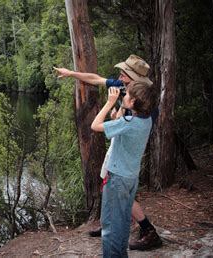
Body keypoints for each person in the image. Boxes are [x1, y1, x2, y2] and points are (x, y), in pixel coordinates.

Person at [54, 55, 162, 251]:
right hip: (121, 147)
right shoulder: (125, 88)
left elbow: (128, 125)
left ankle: (146, 230)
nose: (119, 76)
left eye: (124, 74)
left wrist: (115, 112)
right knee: (109, 185)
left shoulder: (145, 104)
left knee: (118, 189)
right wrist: (71, 74)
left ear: (135, 83)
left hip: (125, 152)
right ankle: (108, 223)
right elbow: (95, 79)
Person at [91, 81, 158, 257]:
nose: (124, 96)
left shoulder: (129, 123)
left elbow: (95, 125)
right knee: (121, 222)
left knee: (110, 225)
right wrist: (123, 104)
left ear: (134, 103)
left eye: (127, 95)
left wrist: (110, 102)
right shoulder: (146, 120)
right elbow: (121, 120)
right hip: (130, 178)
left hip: (117, 179)